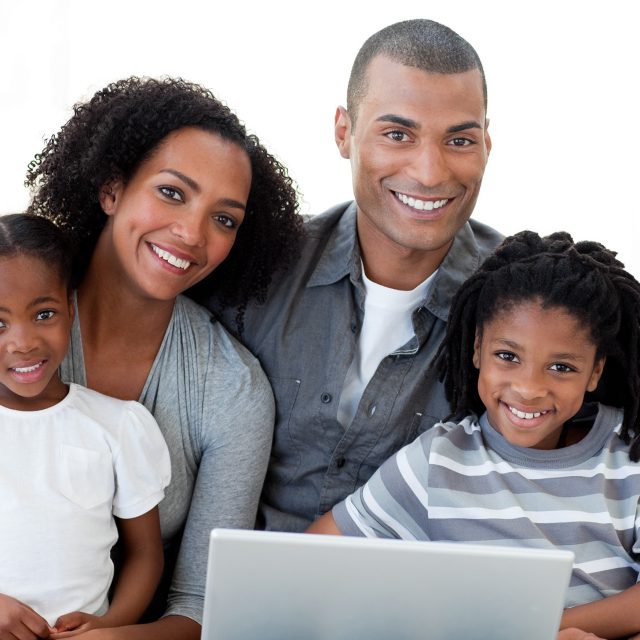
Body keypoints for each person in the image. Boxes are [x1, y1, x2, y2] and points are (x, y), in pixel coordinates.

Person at [25, 77, 303, 640]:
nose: (191, 233)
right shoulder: (11, 321)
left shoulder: (231, 390)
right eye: (173, 193)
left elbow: (199, 607)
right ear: (111, 188)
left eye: (224, 219)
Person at [204, 18, 502, 532]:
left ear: (487, 144)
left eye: (459, 140)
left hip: (428, 586)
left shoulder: (528, 303)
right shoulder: (254, 269)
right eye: (397, 134)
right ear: (344, 133)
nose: (430, 172)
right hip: (249, 579)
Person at [308, 230, 640, 640]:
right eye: (508, 356)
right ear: (477, 348)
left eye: (561, 367)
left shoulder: (628, 455)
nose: (529, 388)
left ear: (595, 371)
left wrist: (543, 629)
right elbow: (314, 557)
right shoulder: (438, 462)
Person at [0, 214, 170, 639]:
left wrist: (110, 625)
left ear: (70, 311)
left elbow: (146, 554)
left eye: (44, 314)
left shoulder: (117, 425)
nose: (23, 342)